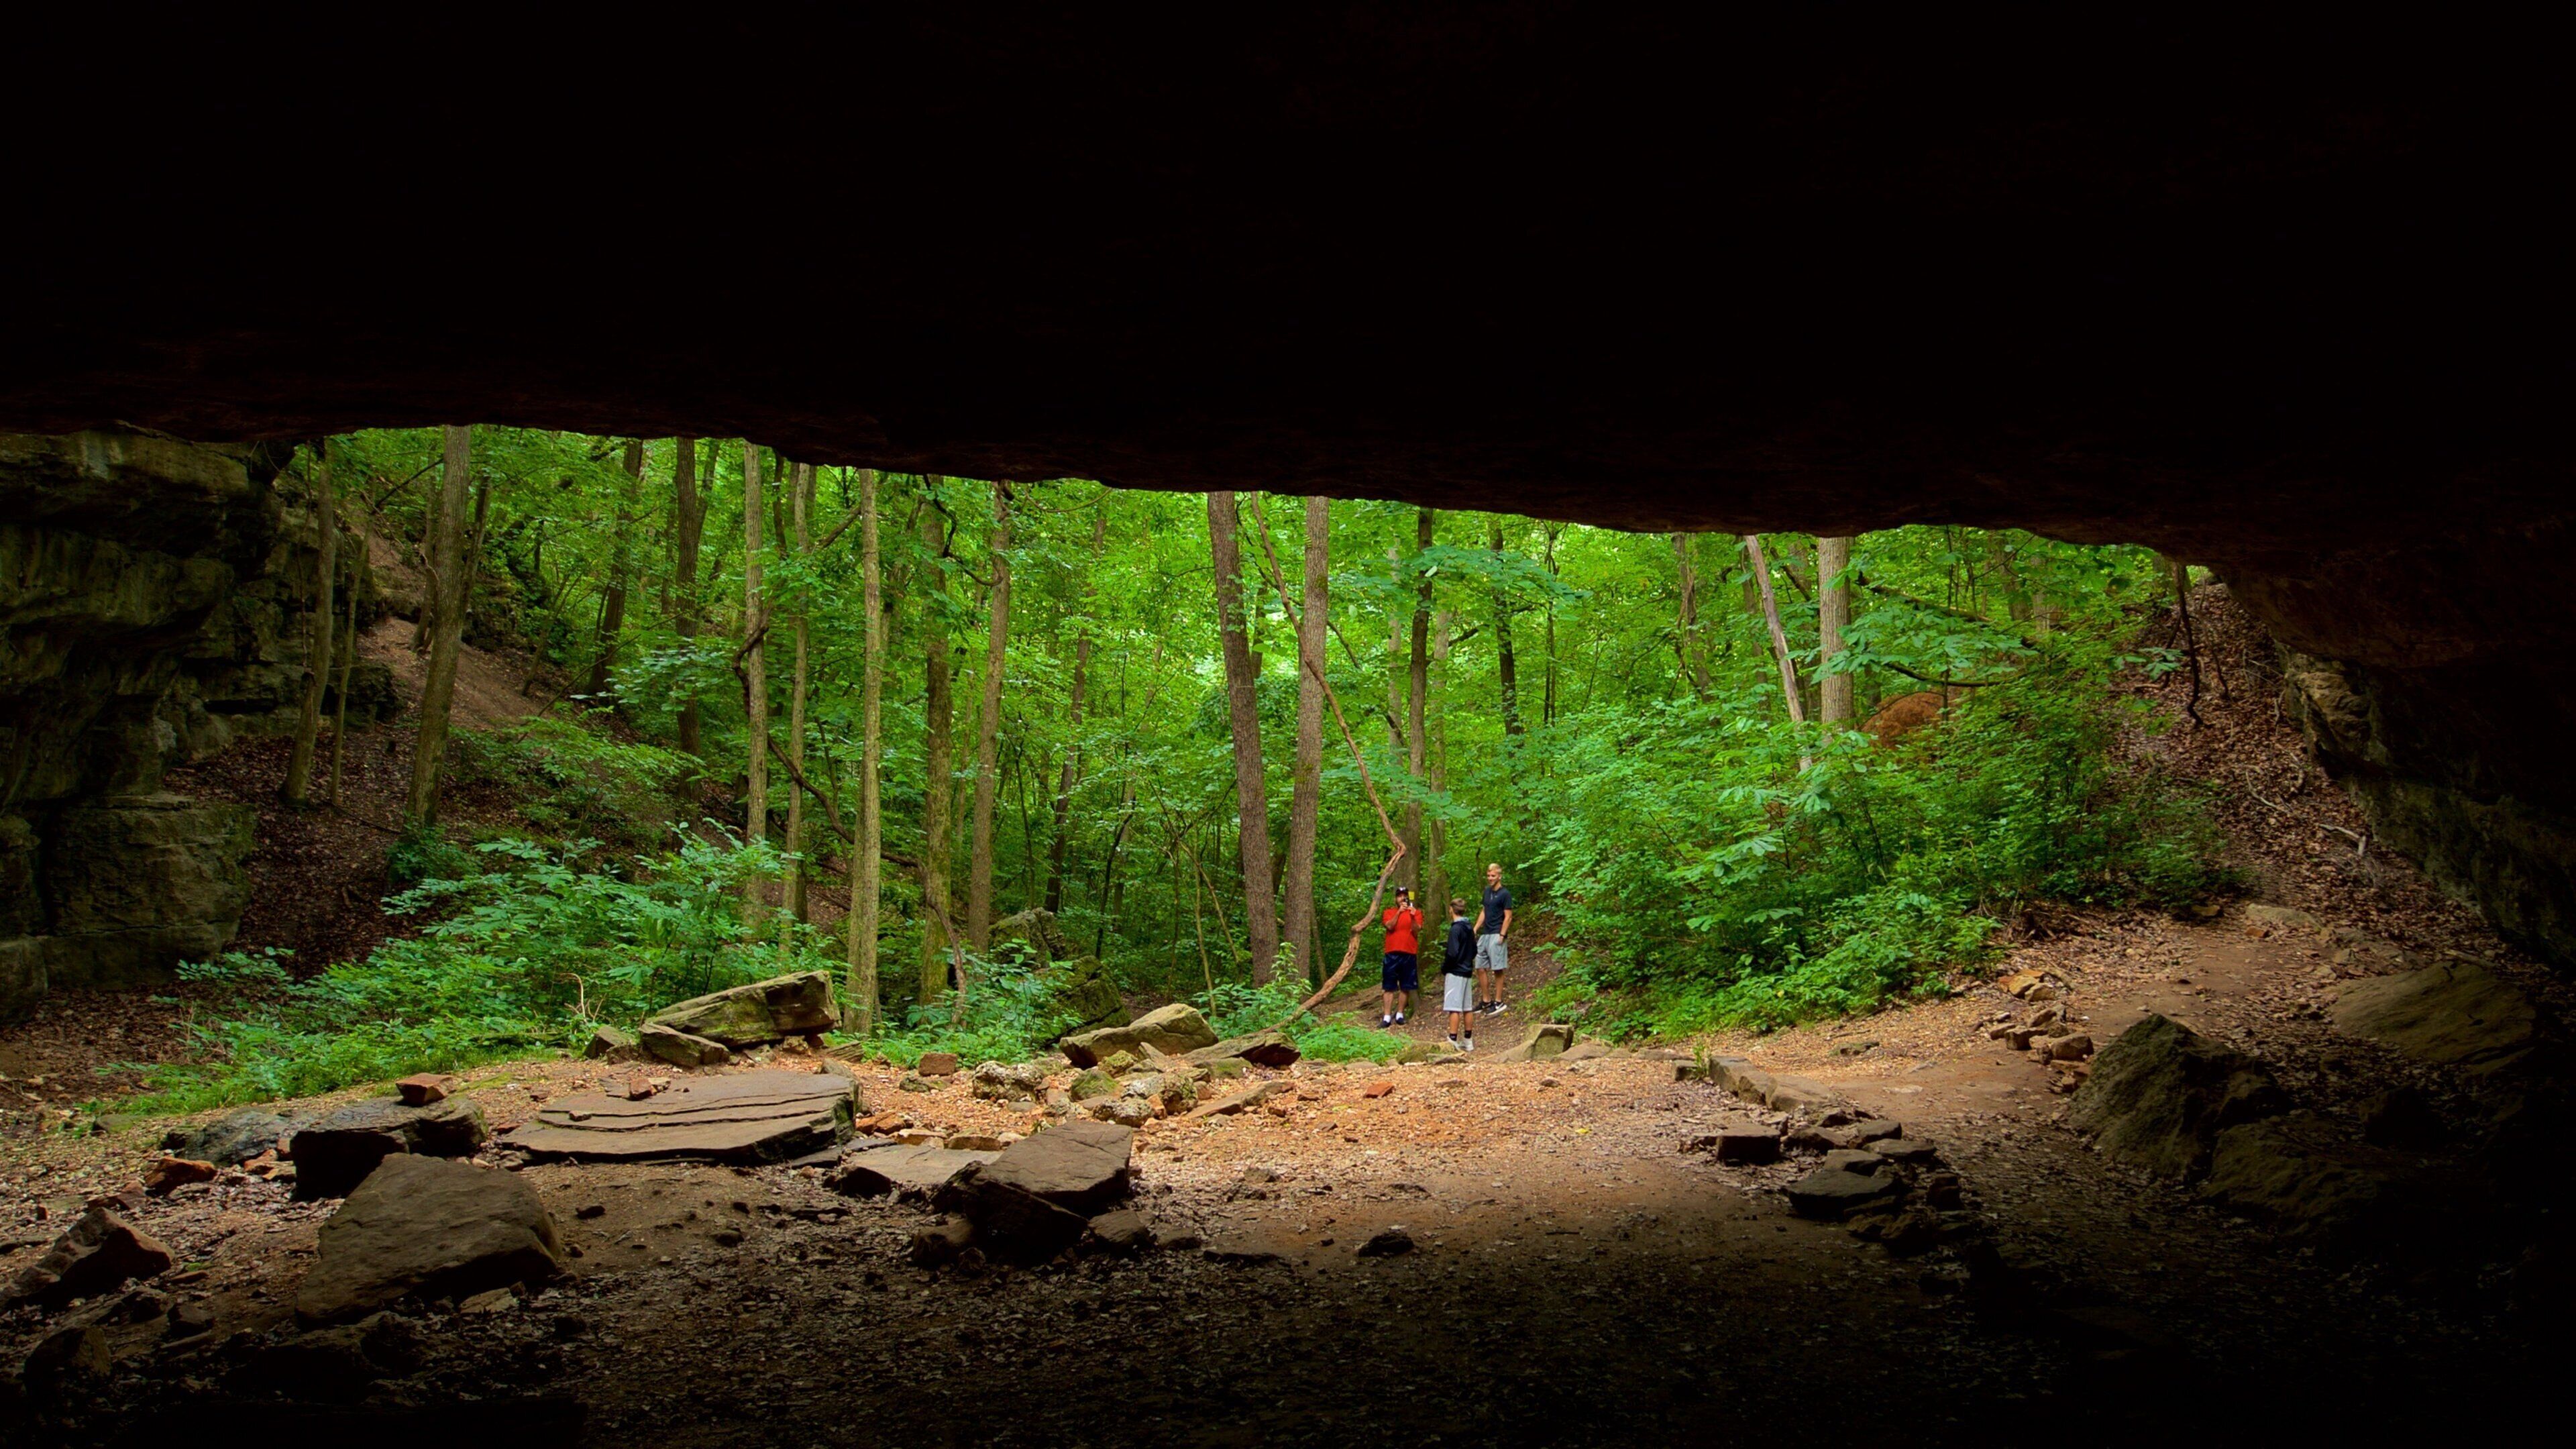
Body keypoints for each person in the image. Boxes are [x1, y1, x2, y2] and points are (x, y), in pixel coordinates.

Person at [1379, 887, 1423, 1028]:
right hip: (1392, 953)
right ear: (1396, 899)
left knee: (1406, 985)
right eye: (1400, 896)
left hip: (1409, 953)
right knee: (1389, 986)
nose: (1402, 898)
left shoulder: (1417, 913)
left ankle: (1400, 1014)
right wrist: (1399, 912)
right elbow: (1389, 926)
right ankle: (1386, 1016)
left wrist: (1412, 915)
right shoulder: (1389, 912)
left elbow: (1417, 930)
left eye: (1405, 896)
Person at [1474, 861, 1513, 1015]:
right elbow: (1484, 911)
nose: (1490, 878)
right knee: (1480, 967)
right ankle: (1486, 1000)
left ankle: (1498, 1001)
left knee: (1497, 968)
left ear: (1499, 876)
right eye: (1489, 875)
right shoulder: (1487, 892)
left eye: (1493, 876)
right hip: (1485, 934)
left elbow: (1508, 916)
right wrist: (1476, 928)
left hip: (1497, 933)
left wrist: (1502, 935)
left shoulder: (1505, 894)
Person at [1440, 896, 1478, 1051]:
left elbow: (1452, 953)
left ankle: (1453, 1039)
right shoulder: (1469, 928)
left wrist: (1445, 967)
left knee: (1454, 1007)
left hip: (1455, 971)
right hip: (1467, 970)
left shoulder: (1456, 929)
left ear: (1451, 910)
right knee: (1467, 1007)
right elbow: (1474, 950)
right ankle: (1468, 1040)